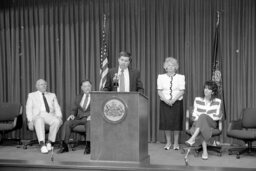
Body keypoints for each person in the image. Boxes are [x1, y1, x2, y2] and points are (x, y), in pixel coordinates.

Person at [185, 80, 222, 160]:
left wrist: (205, 116)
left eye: (208, 89)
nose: (206, 90)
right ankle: (207, 148)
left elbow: (217, 116)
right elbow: (194, 114)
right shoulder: (197, 100)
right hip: (199, 124)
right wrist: (201, 119)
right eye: (205, 88)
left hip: (211, 123)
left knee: (202, 116)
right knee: (201, 123)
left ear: (212, 92)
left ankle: (193, 138)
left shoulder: (218, 102)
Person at [26, 79, 63, 154]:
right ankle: (42, 144)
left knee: (57, 121)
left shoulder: (52, 95)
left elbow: (57, 107)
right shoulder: (31, 95)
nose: (44, 86)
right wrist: (29, 121)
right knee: (39, 120)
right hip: (37, 115)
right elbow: (28, 109)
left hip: (49, 115)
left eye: (45, 84)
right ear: (37, 86)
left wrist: (59, 116)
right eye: (41, 84)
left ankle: (49, 142)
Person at [157, 57, 185, 150]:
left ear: (176, 67)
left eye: (173, 65)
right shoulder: (161, 77)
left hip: (177, 103)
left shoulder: (181, 77)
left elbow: (182, 91)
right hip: (164, 103)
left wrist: (173, 100)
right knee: (166, 123)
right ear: (165, 67)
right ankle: (168, 142)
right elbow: (159, 91)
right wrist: (166, 100)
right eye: (168, 65)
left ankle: (176, 143)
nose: (171, 67)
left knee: (176, 124)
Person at [58, 80, 92, 154]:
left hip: (89, 119)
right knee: (67, 123)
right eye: (85, 86)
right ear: (82, 88)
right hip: (79, 118)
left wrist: (93, 115)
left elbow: (98, 109)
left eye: (88, 86)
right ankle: (64, 146)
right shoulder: (78, 97)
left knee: (89, 123)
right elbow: (74, 109)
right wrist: (72, 115)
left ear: (91, 87)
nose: (87, 88)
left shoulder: (95, 96)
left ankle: (88, 146)